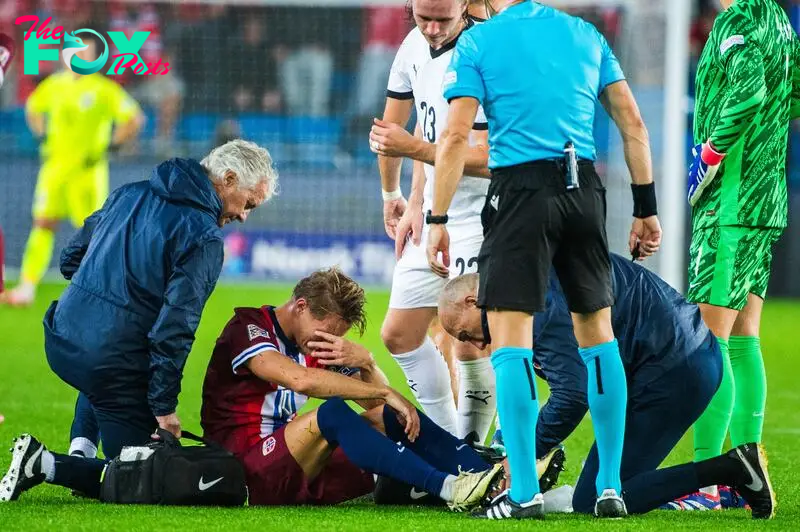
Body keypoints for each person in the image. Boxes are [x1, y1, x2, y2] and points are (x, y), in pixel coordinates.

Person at [428, 0, 661, 519]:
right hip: (583, 191)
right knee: (599, 339)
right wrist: (646, 209)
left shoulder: (478, 41)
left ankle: (523, 492)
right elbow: (634, 125)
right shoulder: (585, 34)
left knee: (512, 344)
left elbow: (456, 137)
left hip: (519, 193)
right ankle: (610, 488)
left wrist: (437, 220)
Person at [0, 269, 504, 509]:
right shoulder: (249, 327)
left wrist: (369, 367)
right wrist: (375, 391)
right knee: (334, 415)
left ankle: (482, 470)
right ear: (301, 306)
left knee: (383, 419)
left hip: (286, 458)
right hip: (245, 459)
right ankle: (446, 486)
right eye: (326, 330)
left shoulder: (316, 337)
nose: (329, 343)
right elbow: (301, 380)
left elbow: (375, 401)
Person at [437, 262, 776, 519]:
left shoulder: (534, 304)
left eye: (466, 335)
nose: (478, 344)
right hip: (677, 359)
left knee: (598, 498)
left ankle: (733, 469)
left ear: (472, 300)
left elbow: (573, 395)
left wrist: (524, 454)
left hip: (675, 370)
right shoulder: (532, 280)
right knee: (604, 486)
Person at [50, 140, 277, 469]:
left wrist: (111, 297)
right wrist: (164, 409)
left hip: (62, 338)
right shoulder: (204, 237)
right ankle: (42, 463)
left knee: (108, 344)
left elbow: (70, 260)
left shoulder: (129, 193)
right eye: (249, 204)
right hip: (108, 363)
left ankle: (80, 449)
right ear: (228, 179)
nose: (243, 215)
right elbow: (174, 330)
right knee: (141, 474)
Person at [685, 0, 797, 505]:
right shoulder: (776, 17)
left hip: (730, 201)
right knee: (744, 338)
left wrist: (709, 154)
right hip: (765, 198)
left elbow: (749, 94)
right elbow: (791, 98)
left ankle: (707, 481)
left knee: (709, 341)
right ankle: (746, 468)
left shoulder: (738, 20)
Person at [374, 0, 496, 444]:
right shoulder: (411, 45)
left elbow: (489, 159)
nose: (431, 28)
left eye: (441, 19)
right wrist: (402, 198)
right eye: (422, 17)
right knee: (399, 334)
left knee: (470, 338)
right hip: (431, 217)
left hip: (480, 219)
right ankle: (446, 439)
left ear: (465, 5)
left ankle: (475, 446)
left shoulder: (485, 52)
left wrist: (416, 151)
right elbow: (403, 132)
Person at [1, 34, 145, 306]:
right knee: (43, 224)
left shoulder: (104, 89)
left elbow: (135, 118)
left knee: (94, 233)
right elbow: (33, 109)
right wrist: (41, 134)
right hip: (54, 170)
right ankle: (27, 287)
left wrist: (111, 146)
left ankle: (102, 292)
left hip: (87, 174)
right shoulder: (54, 85)